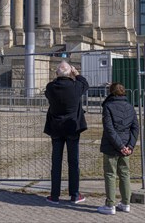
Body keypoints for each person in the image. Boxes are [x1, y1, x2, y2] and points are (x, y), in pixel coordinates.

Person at [44, 61, 89, 205]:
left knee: (56, 163)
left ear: (57, 74)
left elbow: (49, 91)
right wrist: (76, 74)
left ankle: (54, 195)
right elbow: (85, 83)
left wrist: (60, 74)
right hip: (72, 128)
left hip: (56, 129)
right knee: (73, 162)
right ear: (70, 73)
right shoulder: (76, 86)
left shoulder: (51, 87)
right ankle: (74, 194)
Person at [97, 82, 139, 215]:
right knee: (125, 174)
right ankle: (126, 203)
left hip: (112, 146)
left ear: (111, 92)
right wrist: (129, 146)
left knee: (110, 174)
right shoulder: (130, 107)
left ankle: (110, 205)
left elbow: (109, 129)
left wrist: (120, 146)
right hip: (126, 145)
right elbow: (135, 128)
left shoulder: (108, 106)